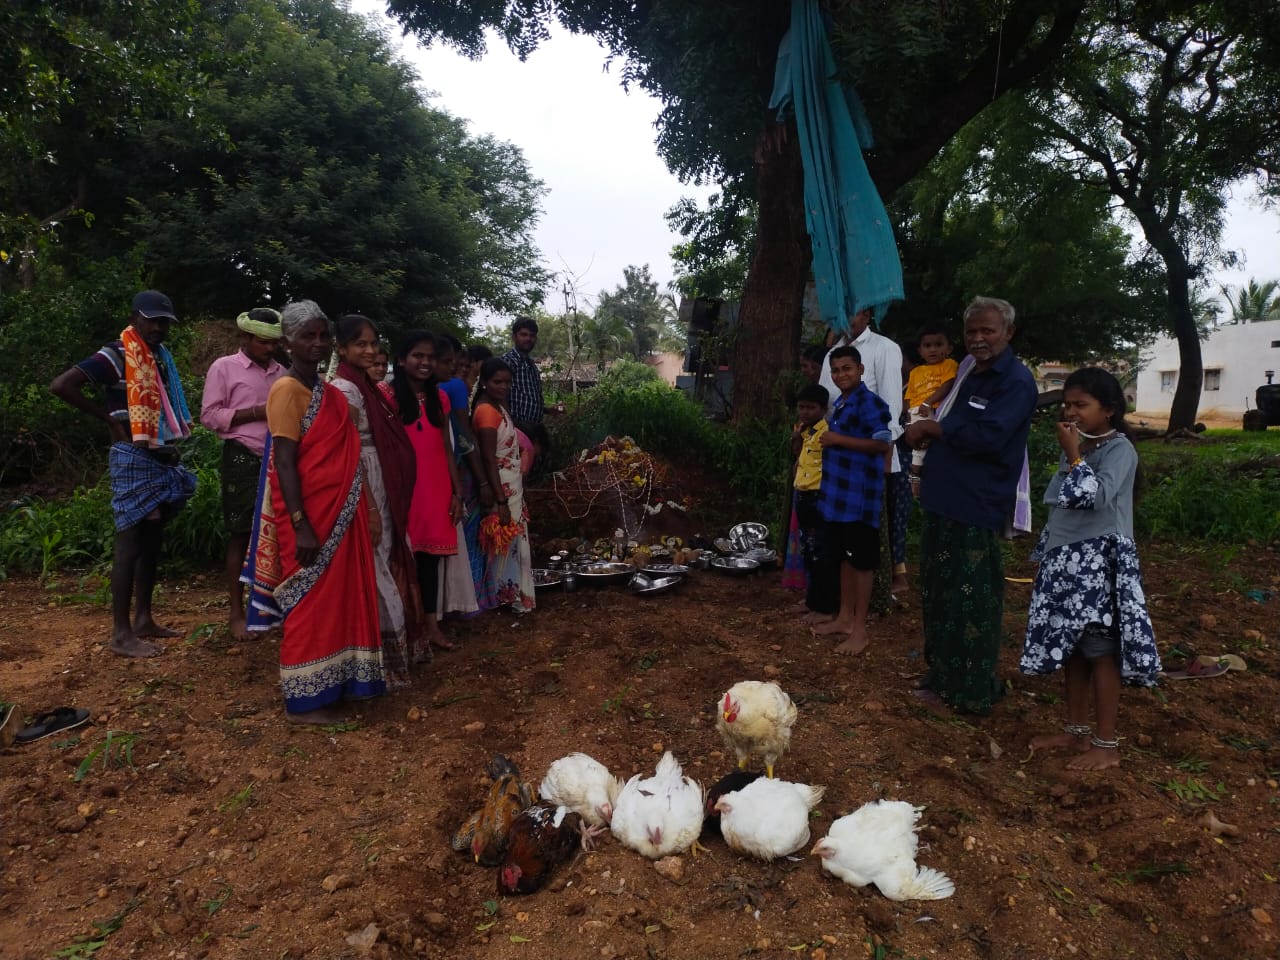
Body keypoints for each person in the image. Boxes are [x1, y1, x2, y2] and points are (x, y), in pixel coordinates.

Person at [243, 300, 385, 723]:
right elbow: (283, 462)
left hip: (340, 513)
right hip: (310, 519)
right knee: (308, 605)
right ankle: (303, 702)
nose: (318, 343)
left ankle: (333, 684)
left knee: (336, 602)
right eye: (308, 335)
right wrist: (302, 526)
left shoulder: (322, 391)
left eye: (323, 335)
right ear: (287, 341)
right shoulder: (286, 390)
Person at [904, 296, 1038, 715]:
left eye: (988, 331)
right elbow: (951, 424)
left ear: (1008, 333)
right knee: (940, 593)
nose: (978, 339)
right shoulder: (968, 374)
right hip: (945, 498)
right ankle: (942, 676)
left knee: (972, 600)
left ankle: (971, 691)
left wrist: (934, 430)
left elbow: (990, 438)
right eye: (972, 332)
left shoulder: (1016, 381)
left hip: (975, 504)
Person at [1021, 368, 1160, 770]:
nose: (1071, 411)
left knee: (1101, 651)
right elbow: (1060, 501)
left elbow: (1093, 498)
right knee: (1075, 651)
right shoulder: (1085, 448)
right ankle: (1076, 731)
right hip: (1068, 564)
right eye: (1068, 404)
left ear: (1110, 410)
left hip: (1099, 567)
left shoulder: (1120, 451)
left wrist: (1073, 454)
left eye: (1081, 404)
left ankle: (1106, 743)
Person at [50, 290, 197, 658]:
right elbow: (62, 386)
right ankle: (120, 633)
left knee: (151, 541)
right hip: (133, 456)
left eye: (164, 321)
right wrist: (108, 420)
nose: (159, 327)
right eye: (152, 319)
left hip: (158, 456)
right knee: (129, 543)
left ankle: (144, 619)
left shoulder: (158, 358)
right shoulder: (116, 354)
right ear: (134, 317)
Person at [332, 315, 426, 687]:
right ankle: (380, 664)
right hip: (365, 484)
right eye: (360, 344)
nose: (370, 350)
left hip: (382, 481)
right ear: (342, 349)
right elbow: (348, 452)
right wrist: (367, 506)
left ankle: (394, 657)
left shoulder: (370, 387)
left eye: (373, 343)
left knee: (388, 556)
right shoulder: (346, 390)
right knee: (376, 564)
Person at [199, 308, 286, 640]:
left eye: (273, 343)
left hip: (279, 458)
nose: (269, 349)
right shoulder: (224, 368)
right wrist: (256, 412)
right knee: (241, 533)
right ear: (246, 339)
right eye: (263, 342)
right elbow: (209, 416)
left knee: (277, 533)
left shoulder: (283, 373)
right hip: (243, 457)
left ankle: (269, 609)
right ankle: (236, 612)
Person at [818, 308, 906, 598]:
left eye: (853, 312)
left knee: (864, 549)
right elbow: (825, 404)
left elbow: (891, 412)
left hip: (867, 469)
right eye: (840, 311)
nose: (841, 374)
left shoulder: (884, 349)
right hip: (837, 472)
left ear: (867, 315)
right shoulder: (834, 353)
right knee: (842, 546)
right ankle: (843, 612)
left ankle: (865, 613)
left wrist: (884, 462)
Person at [387, 331, 465, 651]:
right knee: (402, 561)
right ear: (402, 359)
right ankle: (404, 629)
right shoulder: (387, 396)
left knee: (430, 561)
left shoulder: (440, 397)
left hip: (435, 487)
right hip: (405, 488)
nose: (425, 362)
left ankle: (431, 626)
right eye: (418, 356)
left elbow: (446, 446)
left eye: (430, 357)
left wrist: (457, 492)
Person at [812, 346, 892, 654]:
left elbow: (881, 442)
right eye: (836, 370)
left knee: (862, 563)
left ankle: (860, 629)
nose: (841, 374)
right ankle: (844, 618)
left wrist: (837, 439)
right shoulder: (842, 403)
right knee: (844, 558)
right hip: (837, 498)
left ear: (860, 370)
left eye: (847, 368)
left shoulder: (870, 403)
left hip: (859, 499)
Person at [472, 357, 536, 614]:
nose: (504, 386)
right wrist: (500, 499)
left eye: (508, 382)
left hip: (511, 485)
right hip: (503, 489)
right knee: (503, 542)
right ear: (485, 382)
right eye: (497, 381)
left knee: (512, 542)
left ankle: (515, 595)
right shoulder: (486, 410)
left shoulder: (498, 407)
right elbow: (487, 457)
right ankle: (504, 598)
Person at [433, 334, 483, 617]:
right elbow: (463, 436)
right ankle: (465, 595)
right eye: (454, 363)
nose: (459, 369)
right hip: (457, 468)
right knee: (463, 530)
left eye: (462, 364)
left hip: (439, 470)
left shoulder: (435, 390)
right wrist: (483, 478)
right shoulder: (453, 389)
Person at [790, 383, 838, 619]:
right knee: (809, 551)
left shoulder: (826, 432)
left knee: (822, 553)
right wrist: (796, 439)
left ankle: (825, 607)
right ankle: (812, 600)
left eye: (810, 407)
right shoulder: (803, 430)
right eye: (801, 407)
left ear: (823, 408)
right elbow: (798, 457)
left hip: (819, 498)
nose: (805, 412)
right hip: (803, 496)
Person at [903, 322, 959, 496]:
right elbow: (908, 397)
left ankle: (916, 474)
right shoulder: (915, 372)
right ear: (920, 350)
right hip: (918, 411)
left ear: (949, 348)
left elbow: (947, 385)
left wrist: (928, 402)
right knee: (919, 445)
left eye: (938, 344)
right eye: (927, 346)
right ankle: (915, 475)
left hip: (935, 409)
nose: (932, 350)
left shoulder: (949, 364)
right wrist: (907, 417)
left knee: (926, 445)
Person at [500, 316, 545, 467]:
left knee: (533, 468)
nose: (528, 339)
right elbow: (500, 396)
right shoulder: (508, 361)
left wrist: (548, 410)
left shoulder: (531, 364)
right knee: (518, 469)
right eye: (524, 334)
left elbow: (528, 396)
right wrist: (511, 426)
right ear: (514, 337)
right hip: (517, 427)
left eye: (532, 336)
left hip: (534, 426)